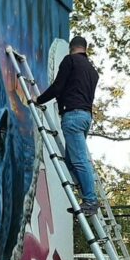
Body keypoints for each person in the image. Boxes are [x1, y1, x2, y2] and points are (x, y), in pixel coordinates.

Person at [36, 36, 100, 216]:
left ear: (71, 48)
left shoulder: (70, 61)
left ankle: (90, 200)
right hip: (86, 117)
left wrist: (38, 100)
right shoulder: (92, 72)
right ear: (84, 49)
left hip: (72, 116)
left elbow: (57, 86)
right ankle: (86, 197)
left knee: (79, 161)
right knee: (71, 163)